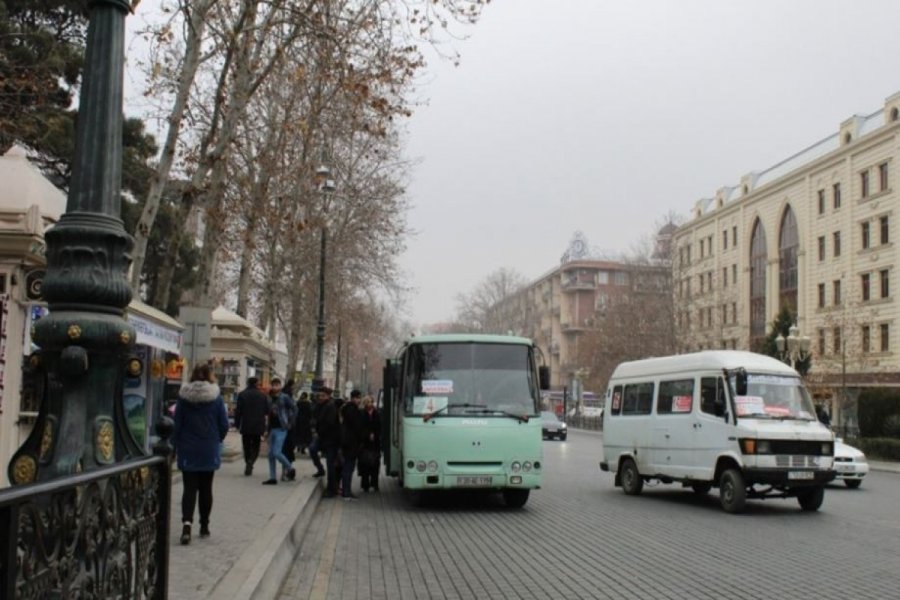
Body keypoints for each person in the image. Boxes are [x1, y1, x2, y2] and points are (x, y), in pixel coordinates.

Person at [172, 363, 229, 545]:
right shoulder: (216, 398)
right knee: (206, 488)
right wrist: (216, 439)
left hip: (188, 448)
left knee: (189, 489)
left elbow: (177, 425)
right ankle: (204, 526)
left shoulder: (183, 398)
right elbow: (224, 425)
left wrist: (175, 446)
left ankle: (186, 525)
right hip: (208, 448)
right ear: (210, 376)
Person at [233, 377, 270, 476]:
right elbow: (267, 410)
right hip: (258, 424)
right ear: (257, 383)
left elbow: (238, 411)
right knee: (256, 446)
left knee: (246, 446)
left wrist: (236, 424)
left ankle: (248, 461)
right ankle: (251, 461)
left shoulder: (242, 394)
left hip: (246, 424)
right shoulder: (262, 396)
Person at [263, 377, 297, 485]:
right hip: (272, 428)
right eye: (273, 385)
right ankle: (273, 478)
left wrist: (290, 422)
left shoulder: (285, 397)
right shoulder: (269, 398)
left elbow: (295, 408)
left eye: (277, 385)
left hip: (282, 428)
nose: (274, 387)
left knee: (277, 452)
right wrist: (266, 429)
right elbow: (267, 413)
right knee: (270, 455)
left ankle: (290, 468)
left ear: (280, 386)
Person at [314, 386, 341, 497]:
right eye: (319, 395)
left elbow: (328, 423)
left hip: (330, 439)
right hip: (324, 438)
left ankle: (332, 489)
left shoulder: (330, 406)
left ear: (328, 396)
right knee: (312, 450)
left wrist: (319, 431)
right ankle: (321, 470)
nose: (320, 397)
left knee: (330, 465)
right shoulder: (320, 406)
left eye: (323, 396)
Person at [339, 390, 365, 500]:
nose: (359, 400)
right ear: (354, 398)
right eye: (358, 398)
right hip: (351, 443)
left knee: (348, 467)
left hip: (348, 442)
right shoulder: (353, 410)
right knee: (348, 468)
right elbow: (357, 427)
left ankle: (347, 490)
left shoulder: (347, 409)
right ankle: (346, 492)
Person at [358, 394, 381, 492]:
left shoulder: (376, 413)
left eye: (371, 402)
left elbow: (380, 426)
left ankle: (375, 484)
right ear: (364, 403)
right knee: (365, 464)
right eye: (367, 402)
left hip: (375, 443)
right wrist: (367, 435)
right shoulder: (362, 413)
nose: (369, 404)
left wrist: (375, 435)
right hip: (365, 444)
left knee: (375, 464)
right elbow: (360, 427)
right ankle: (365, 484)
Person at [294, 391, 313, 455]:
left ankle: (298, 447)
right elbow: (310, 413)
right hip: (306, 422)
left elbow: (295, 411)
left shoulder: (298, 403)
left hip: (298, 421)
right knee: (305, 436)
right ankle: (303, 449)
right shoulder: (308, 403)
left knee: (298, 434)